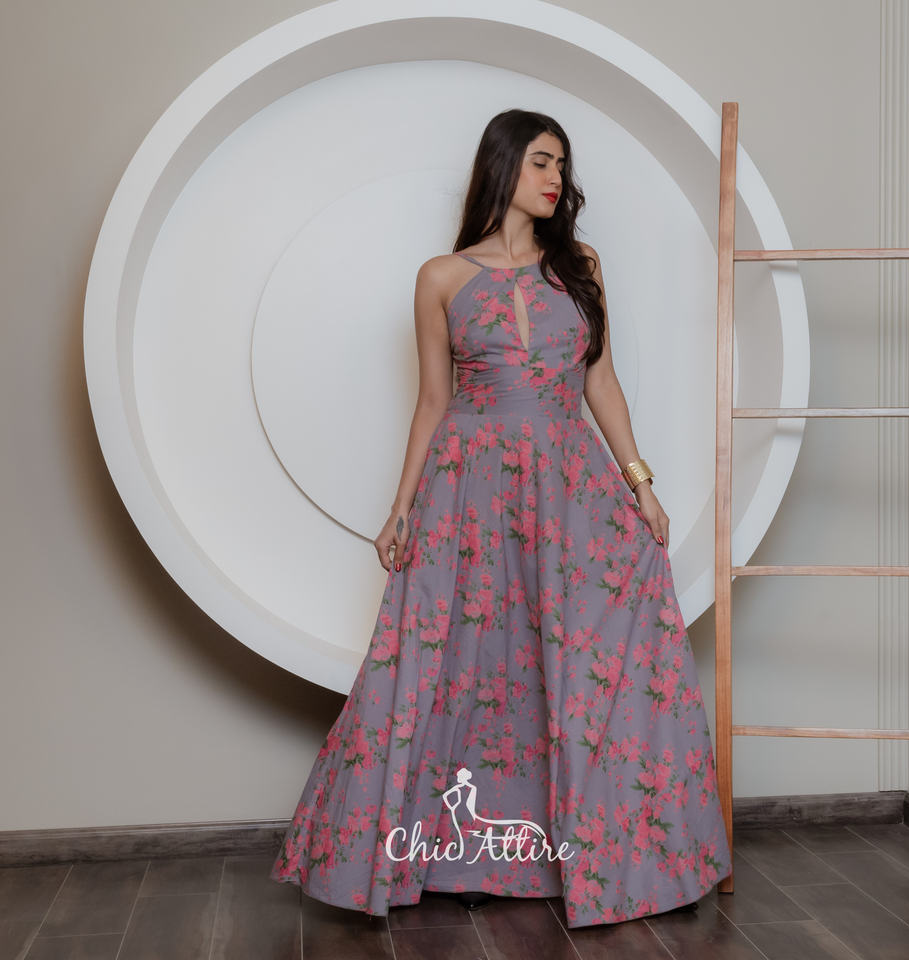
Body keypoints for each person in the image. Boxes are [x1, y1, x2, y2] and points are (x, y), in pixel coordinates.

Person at [270, 108, 732, 928]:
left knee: (573, 662)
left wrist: (640, 483)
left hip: (568, 483)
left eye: (563, 166)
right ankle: (464, 859)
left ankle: (617, 860)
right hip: (469, 488)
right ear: (504, 165)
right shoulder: (440, 278)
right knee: (469, 665)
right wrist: (401, 508)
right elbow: (432, 402)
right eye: (543, 162)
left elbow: (600, 383)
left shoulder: (581, 266)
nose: (557, 179)